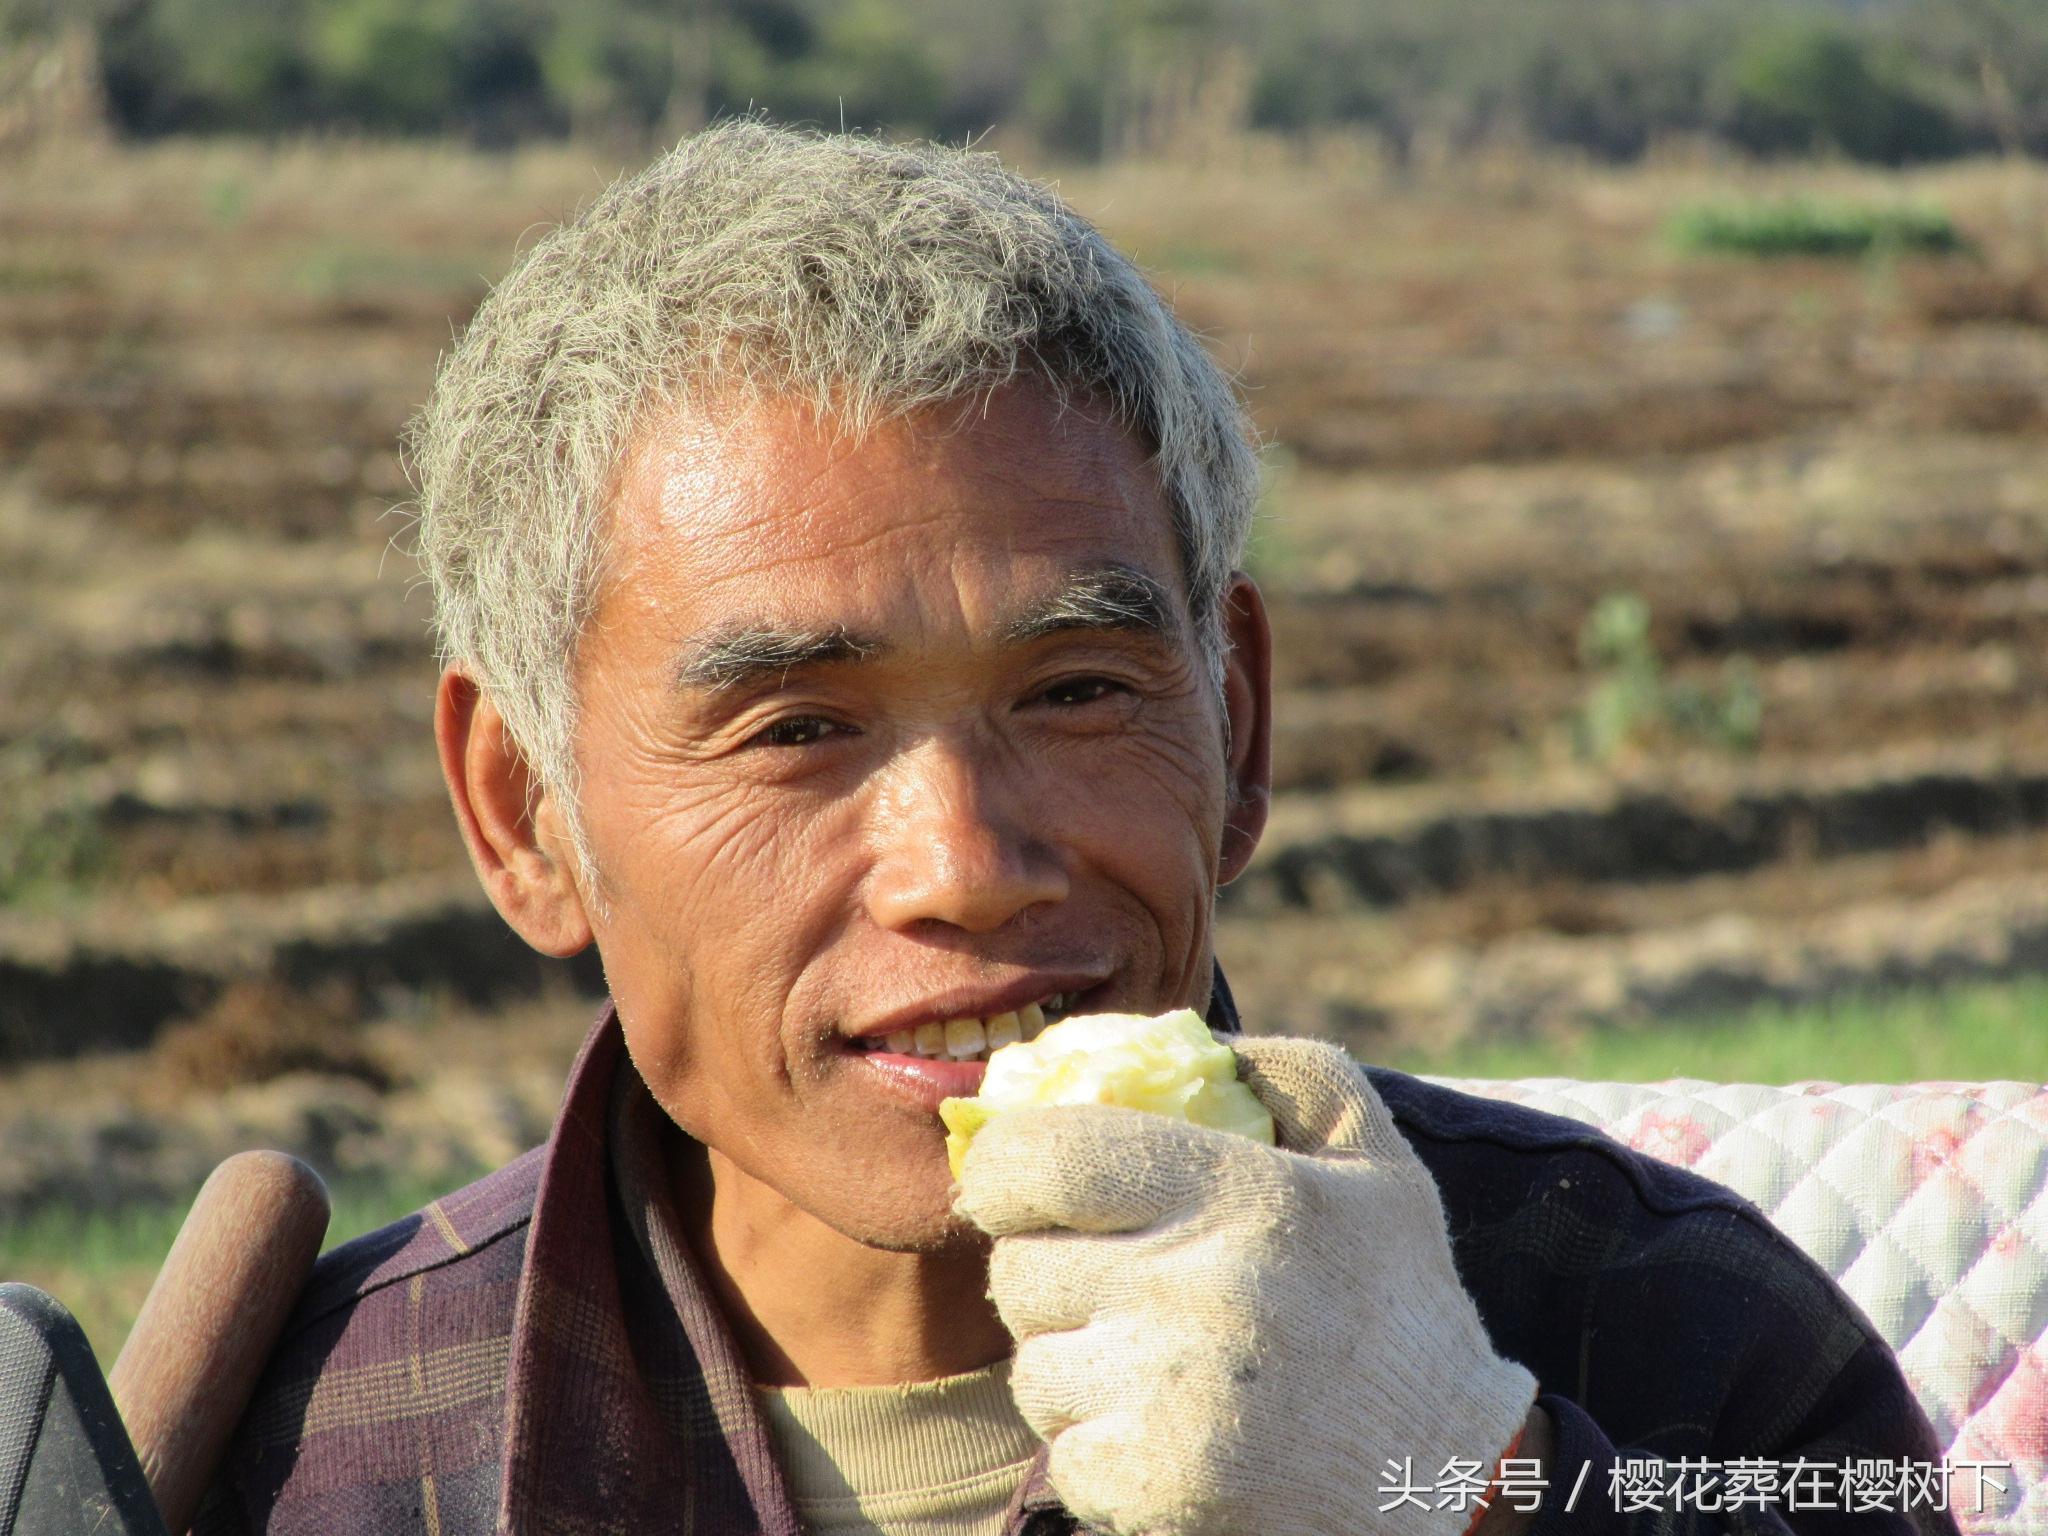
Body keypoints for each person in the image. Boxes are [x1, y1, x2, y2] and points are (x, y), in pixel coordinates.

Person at [198, 121, 1953, 1536]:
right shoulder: (305, 1457)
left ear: (1236, 729)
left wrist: (1464, 1489)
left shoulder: (1668, 1337)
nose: (966, 864)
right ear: (525, 816)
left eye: (1078, 694)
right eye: (797, 728)